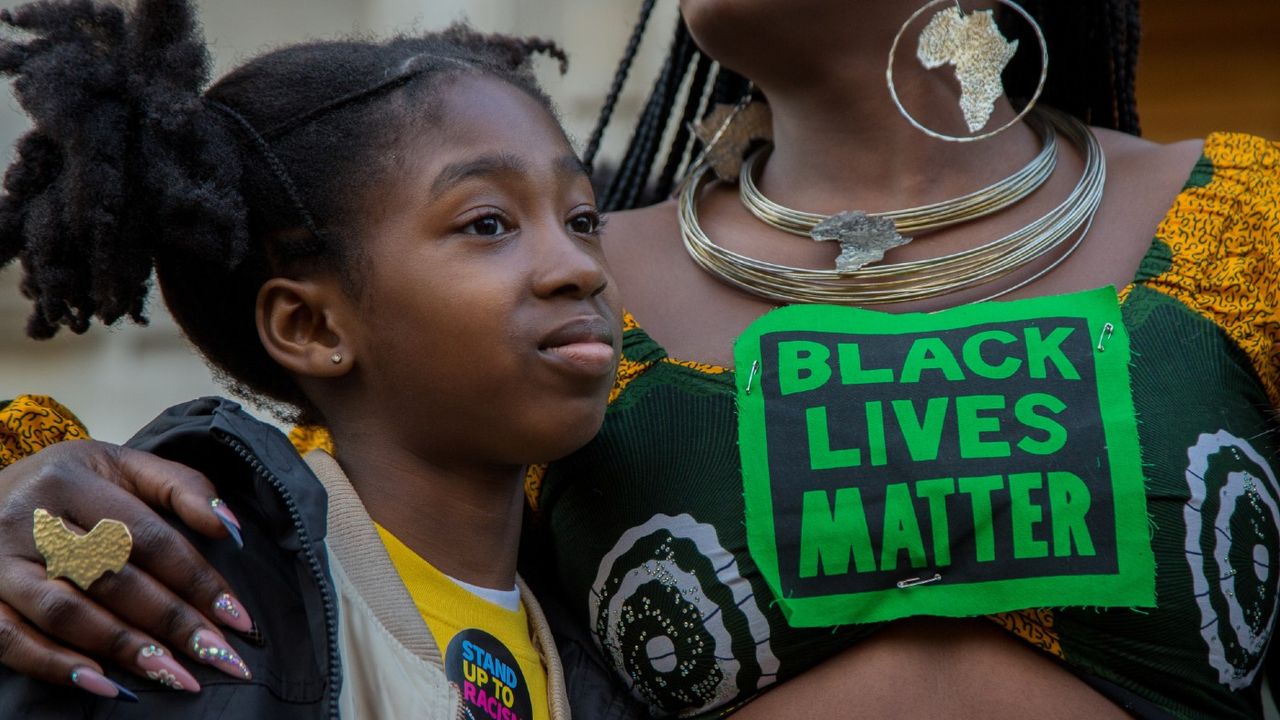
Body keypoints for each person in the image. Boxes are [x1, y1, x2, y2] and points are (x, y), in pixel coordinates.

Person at [2, 0, 1279, 718]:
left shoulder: (1248, 222)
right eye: (498, 222)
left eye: (545, 217)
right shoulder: (567, 302)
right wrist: (48, 508)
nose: (545, 250)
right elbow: (337, 524)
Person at [0, 0, 626, 716]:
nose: (578, 266)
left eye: (583, 220)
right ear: (311, 326)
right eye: (488, 223)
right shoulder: (171, 607)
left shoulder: (616, 642)